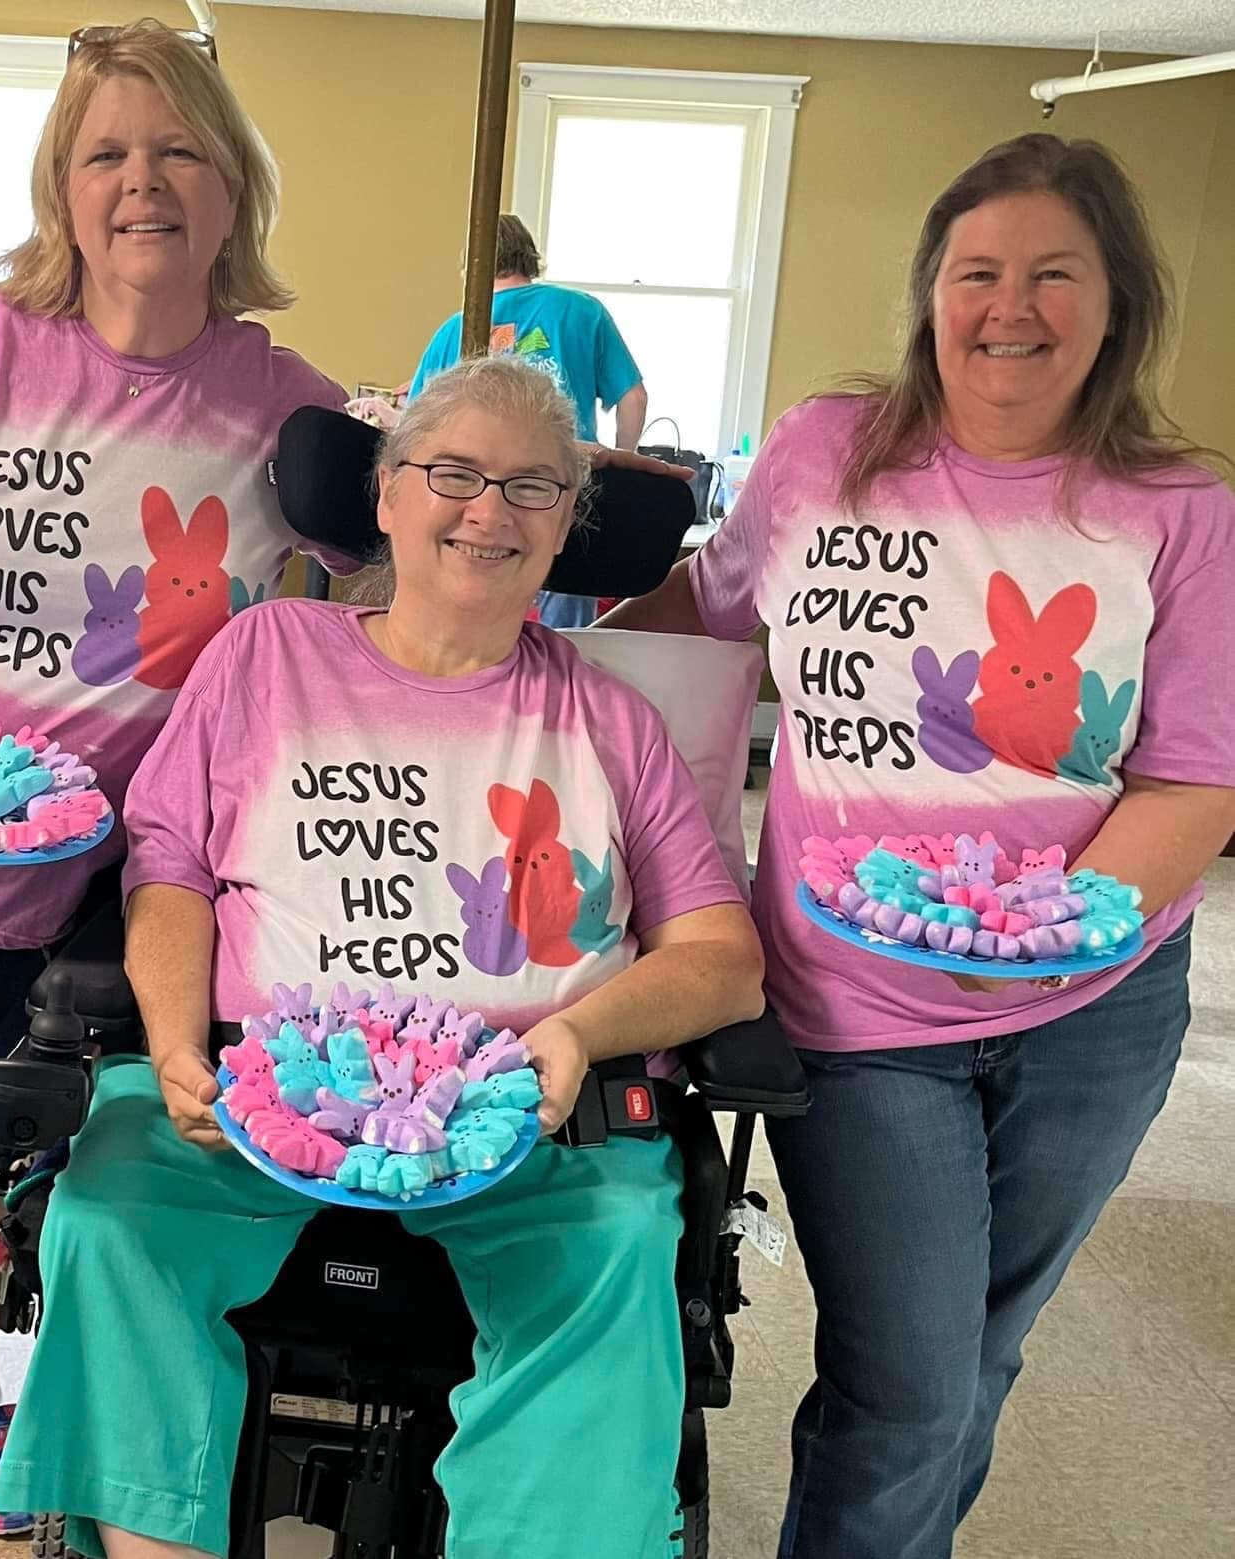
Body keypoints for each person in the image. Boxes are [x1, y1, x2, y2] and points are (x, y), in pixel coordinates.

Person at [0, 355, 766, 1559]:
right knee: (109, 1207)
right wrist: (180, 1041)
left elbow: (722, 956)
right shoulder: (265, 655)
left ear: (567, 527)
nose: (489, 510)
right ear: (388, 497)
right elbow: (170, 873)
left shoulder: (610, 719)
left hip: (528, 1116)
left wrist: (572, 1032)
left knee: (617, 1244)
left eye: (533, 488)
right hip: (259, 1092)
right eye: (452, 472)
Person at [603, 132, 1235, 1559]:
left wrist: (1047, 926)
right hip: (853, 1002)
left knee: (975, 1360)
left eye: (1053, 273)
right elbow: (711, 615)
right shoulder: (830, 450)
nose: (1010, 306)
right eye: (979, 272)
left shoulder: (1183, 512)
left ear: (1117, 302)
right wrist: (496, 659)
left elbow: (1198, 777)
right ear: (931, 294)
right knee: (911, 1379)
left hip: (1096, 1009)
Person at [0, 23, 358, 1555]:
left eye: (178, 151)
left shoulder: (290, 412)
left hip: (95, 852)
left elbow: (409, 574)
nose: (142, 183)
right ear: (61, 184)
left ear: (234, 189)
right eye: (106, 152)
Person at [409, 214, 648, 629]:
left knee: (480, 610)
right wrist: (620, 460)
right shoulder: (583, 312)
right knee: (567, 628)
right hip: (560, 482)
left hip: (478, 491)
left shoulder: (457, 327)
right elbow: (633, 397)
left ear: (473, 264)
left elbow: (415, 428)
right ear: (530, 258)